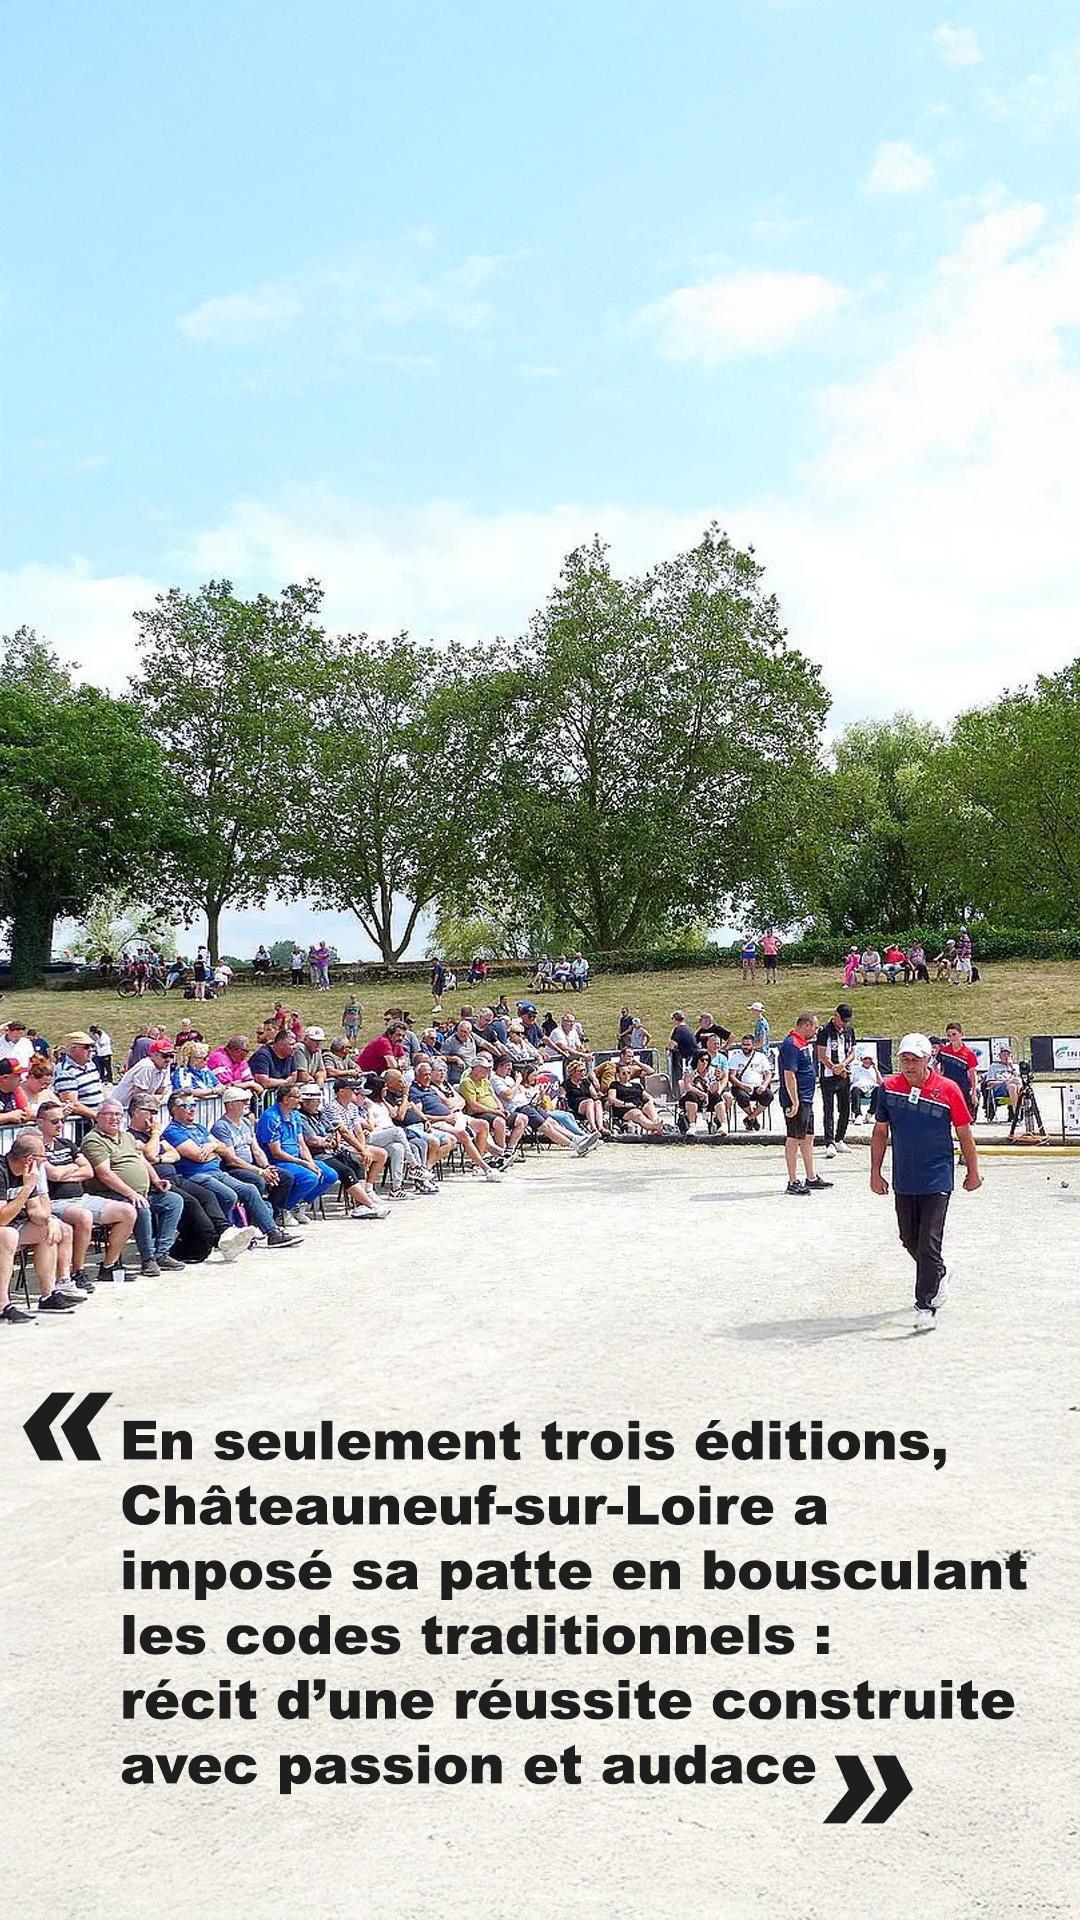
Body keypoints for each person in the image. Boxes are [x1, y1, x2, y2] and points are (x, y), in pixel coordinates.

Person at [870, 1032, 982, 1331]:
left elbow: (964, 1133)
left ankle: (925, 1304)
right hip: (904, 1177)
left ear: (928, 1059)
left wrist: (973, 1171)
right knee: (909, 1239)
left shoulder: (948, 1090)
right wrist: (874, 1171)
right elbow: (880, 1132)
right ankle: (939, 1273)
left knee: (929, 1242)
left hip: (937, 1176)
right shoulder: (888, 1089)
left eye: (914, 1059)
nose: (908, 1065)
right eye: (904, 1059)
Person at [162, 1092, 301, 1248]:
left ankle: (272, 1233)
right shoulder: (173, 1131)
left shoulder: (199, 1128)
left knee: (250, 1189)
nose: (192, 1109)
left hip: (217, 1172)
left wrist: (213, 1147)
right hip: (196, 1175)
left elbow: (224, 1150)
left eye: (193, 1105)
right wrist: (215, 1151)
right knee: (229, 1195)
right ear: (174, 1110)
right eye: (186, 1106)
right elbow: (199, 1157)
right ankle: (229, 1236)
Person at [82, 1099, 188, 1277]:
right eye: (109, 1114)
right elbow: (104, 1174)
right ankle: (148, 1259)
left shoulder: (127, 1137)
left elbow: (141, 1159)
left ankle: (161, 1253)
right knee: (141, 1206)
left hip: (139, 1193)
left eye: (117, 1114)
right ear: (98, 1117)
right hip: (110, 1195)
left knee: (174, 1200)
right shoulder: (93, 1140)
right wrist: (131, 1194)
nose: (114, 1118)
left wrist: (156, 1180)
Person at [38, 1099, 137, 1283]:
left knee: (128, 1211)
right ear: (40, 1122)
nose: (60, 1125)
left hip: (82, 1197)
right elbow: (53, 1175)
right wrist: (73, 1169)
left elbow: (88, 1171)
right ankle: (78, 1271)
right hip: (54, 1202)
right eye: (54, 1121)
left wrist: (65, 1171)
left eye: (62, 1120)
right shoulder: (37, 1148)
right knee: (84, 1217)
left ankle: (108, 1266)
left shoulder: (66, 1143)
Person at [0, 1128, 73, 1312]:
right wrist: (27, 1188)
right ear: (30, 1159)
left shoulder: (27, 1172)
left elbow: (34, 1211)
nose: (45, 1160)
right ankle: (2, 1305)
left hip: (13, 1225)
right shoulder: (2, 1171)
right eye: (43, 1156)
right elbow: (1, 1219)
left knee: (48, 1231)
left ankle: (48, 1295)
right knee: (8, 1235)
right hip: (4, 1227)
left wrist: (50, 1219)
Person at [211, 1085, 301, 1231]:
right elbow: (232, 1159)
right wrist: (260, 1172)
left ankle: (269, 1217)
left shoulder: (246, 1123)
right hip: (234, 1168)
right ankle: (254, 1222)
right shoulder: (221, 1127)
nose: (248, 1104)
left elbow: (256, 1150)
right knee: (257, 1181)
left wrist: (266, 1167)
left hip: (252, 1165)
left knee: (285, 1177)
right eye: (243, 1101)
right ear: (231, 1104)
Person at [255, 1085, 341, 1219]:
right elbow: (276, 1152)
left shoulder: (295, 1115)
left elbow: (301, 1143)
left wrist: (310, 1162)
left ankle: (299, 1204)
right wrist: (302, 1163)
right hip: (278, 1161)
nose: (300, 1100)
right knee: (310, 1177)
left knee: (330, 1175)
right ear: (286, 1099)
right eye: (297, 1097)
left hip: (296, 1159)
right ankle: (284, 1210)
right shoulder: (271, 1118)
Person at [778, 1012, 831, 1196]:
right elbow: (789, 1074)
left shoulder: (801, 1043)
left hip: (806, 1097)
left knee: (808, 1137)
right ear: (806, 1025)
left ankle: (811, 1176)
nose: (816, 1031)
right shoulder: (791, 1044)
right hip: (797, 1098)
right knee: (794, 1138)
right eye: (815, 1027)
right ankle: (792, 1181)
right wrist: (794, 1101)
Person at [816, 1003, 856, 1158]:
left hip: (844, 1073)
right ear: (836, 1015)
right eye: (843, 1020)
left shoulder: (849, 1030)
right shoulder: (824, 1031)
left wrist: (843, 1065)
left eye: (847, 1021)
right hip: (828, 1075)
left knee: (845, 1108)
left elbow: (852, 1051)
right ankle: (829, 1142)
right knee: (829, 1109)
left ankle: (840, 1138)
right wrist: (834, 1068)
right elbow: (820, 1054)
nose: (845, 1024)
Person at [113, 1034, 176, 1112]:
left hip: (137, 1107)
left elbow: (160, 1092)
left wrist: (154, 1098)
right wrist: (154, 1098)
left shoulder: (164, 1066)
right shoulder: (147, 1066)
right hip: (122, 1109)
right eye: (165, 1056)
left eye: (171, 1056)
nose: (168, 1059)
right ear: (153, 1055)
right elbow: (139, 1097)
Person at [53, 1031, 106, 1122]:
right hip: (83, 1122)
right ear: (73, 1049)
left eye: (92, 1046)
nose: (90, 1050)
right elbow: (72, 1104)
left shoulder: (91, 1065)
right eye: (86, 1047)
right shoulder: (65, 1071)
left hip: (98, 1119)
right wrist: (97, 1117)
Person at [726, 1033, 775, 1130]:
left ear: (753, 1045)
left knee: (769, 1095)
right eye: (743, 1044)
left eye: (748, 1045)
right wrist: (742, 1086)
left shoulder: (761, 1057)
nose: (745, 1047)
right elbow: (731, 1076)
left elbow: (768, 1073)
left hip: (758, 1086)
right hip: (741, 1086)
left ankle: (750, 1117)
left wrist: (764, 1085)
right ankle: (753, 1118)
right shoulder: (736, 1057)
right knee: (742, 1097)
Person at [939, 1023, 979, 1118]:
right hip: (947, 1086)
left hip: (963, 1087)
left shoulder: (969, 1053)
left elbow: (973, 1074)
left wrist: (973, 1092)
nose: (951, 1038)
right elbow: (935, 1065)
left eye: (954, 1034)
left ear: (961, 1034)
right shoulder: (944, 1051)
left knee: (962, 1117)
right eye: (949, 1035)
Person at [848, 1049, 882, 1122]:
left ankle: (870, 1113)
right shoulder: (856, 1069)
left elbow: (881, 1083)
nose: (867, 1061)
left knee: (879, 1090)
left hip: (871, 1088)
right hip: (859, 1088)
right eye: (865, 1059)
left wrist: (876, 1068)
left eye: (869, 1059)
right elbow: (850, 1081)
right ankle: (858, 1115)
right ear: (861, 1060)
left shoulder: (874, 1070)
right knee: (855, 1089)